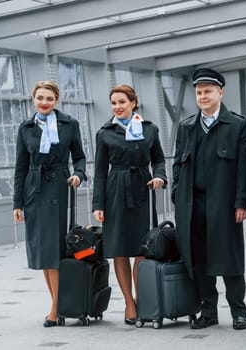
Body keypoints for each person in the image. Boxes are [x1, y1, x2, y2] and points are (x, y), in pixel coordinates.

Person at [172, 68, 246, 330]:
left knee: (230, 259)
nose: (203, 96)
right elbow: (177, 164)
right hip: (192, 204)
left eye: (208, 91)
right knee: (199, 260)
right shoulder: (186, 127)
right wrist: (176, 193)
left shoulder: (238, 125)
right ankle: (208, 311)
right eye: (199, 92)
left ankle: (238, 311)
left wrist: (242, 202)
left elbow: (245, 168)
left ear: (220, 92)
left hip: (225, 205)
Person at [13, 80, 87, 327]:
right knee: (44, 252)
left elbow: (79, 157)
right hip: (33, 189)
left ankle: (56, 308)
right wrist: (17, 203)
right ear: (33, 99)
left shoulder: (69, 124)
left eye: (49, 98)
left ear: (56, 101)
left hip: (57, 185)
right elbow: (20, 167)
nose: (44, 102)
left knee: (54, 248)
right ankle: (56, 304)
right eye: (40, 98)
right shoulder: (25, 127)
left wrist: (79, 174)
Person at [92, 84, 167, 326]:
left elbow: (158, 158)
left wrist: (160, 176)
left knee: (142, 248)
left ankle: (142, 297)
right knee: (120, 249)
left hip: (142, 189)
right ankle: (129, 302)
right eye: (114, 103)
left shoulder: (150, 129)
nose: (117, 107)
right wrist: (98, 204)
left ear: (133, 103)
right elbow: (100, 172)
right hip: (115, 191)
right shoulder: (105, 132)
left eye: (122, 102)